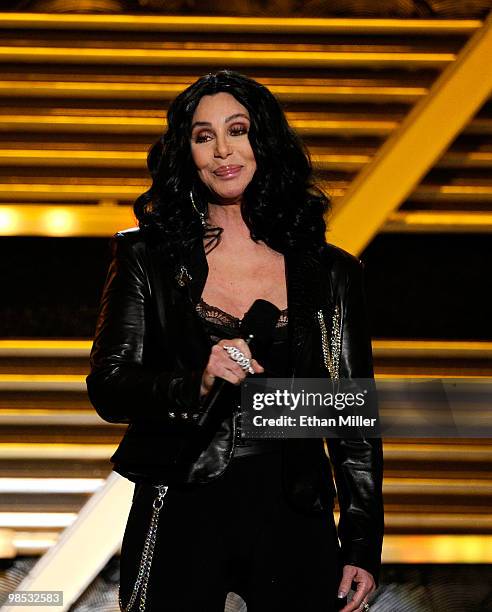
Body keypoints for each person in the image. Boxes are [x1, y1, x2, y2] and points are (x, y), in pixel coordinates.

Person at [86, 70, 384, 612]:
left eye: (238, 130)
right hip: (179, 497)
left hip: (294, 504)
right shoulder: (146, 257)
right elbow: (109, 386)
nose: (224, 150)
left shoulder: (330, 271)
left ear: (263, 140)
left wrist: (362, 540)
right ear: (188, 152)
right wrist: (192, 383)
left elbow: (349, 417)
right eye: (204, 136)